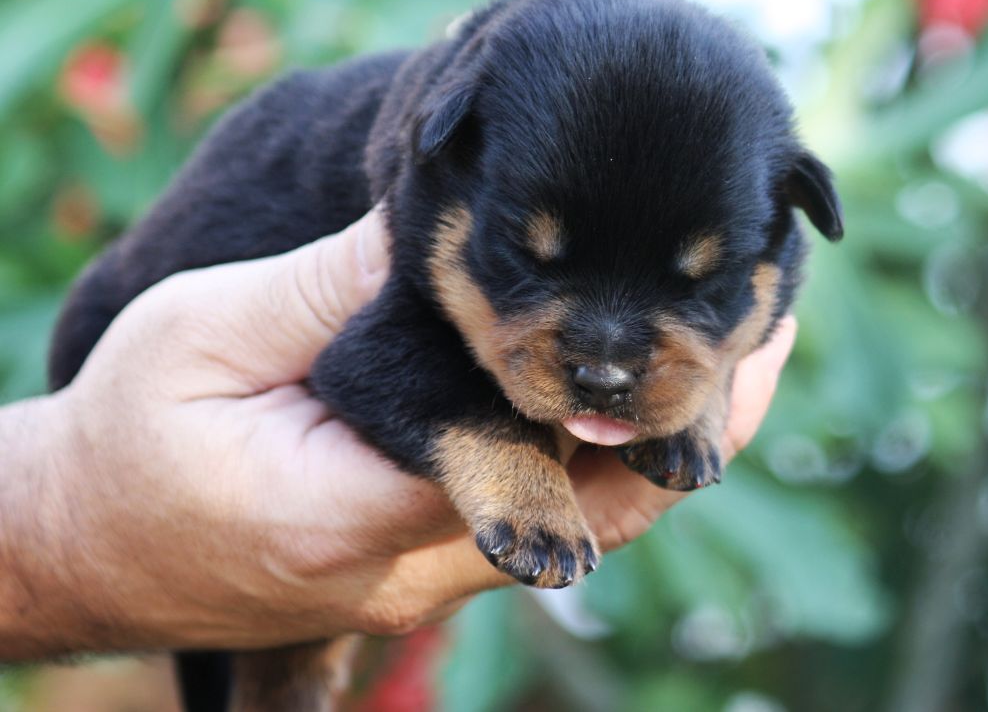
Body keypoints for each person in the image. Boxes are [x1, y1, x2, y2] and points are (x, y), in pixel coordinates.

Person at [0, 208, 797, 662]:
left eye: (701, 289)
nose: (607, 365)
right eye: (536, 265)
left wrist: (704, 387)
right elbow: (371, 360)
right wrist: (59, 523)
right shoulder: (415, 218)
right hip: (137, 345)